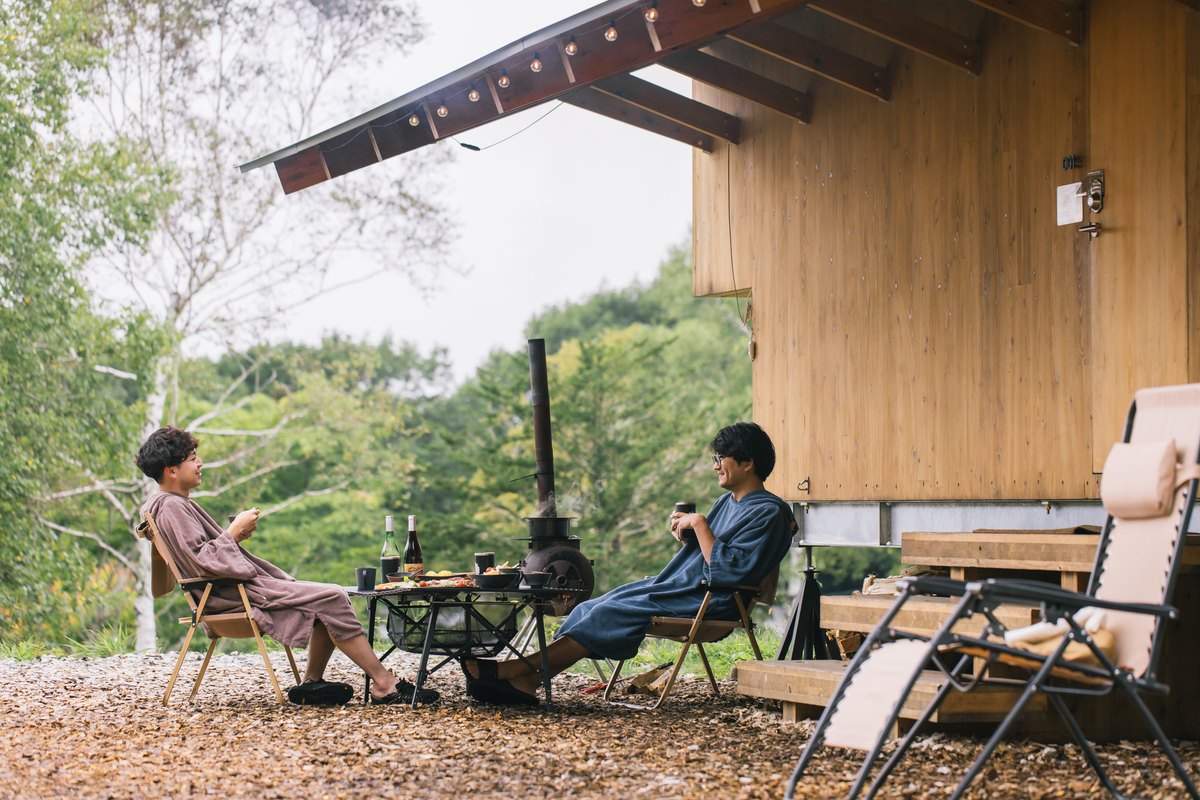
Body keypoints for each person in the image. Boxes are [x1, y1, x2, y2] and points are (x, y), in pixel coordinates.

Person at [463, 421, 794, 705]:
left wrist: (701, 525)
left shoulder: (770, 511)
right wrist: (691, 535)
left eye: (720, 458)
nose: (715, 465)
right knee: (592, 606)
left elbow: (728, 573)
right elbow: (714, 551)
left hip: (711, 601)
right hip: (679, 587)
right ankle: (527, 682)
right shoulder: (727, 502)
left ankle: (514, 670)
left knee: (609, 612)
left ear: (747, 462)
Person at [136, 426, 436, 705]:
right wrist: (233, 533)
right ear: (171, 470)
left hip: (229, 590)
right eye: (192, 459)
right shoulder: (172, 506)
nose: (200, 463)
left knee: (325, 597)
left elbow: (202, 557)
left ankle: (311, 683)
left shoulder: (168, 504)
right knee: (332, 595)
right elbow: (204, 560)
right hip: (229, 596)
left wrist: (233, 538)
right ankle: (384, 684)